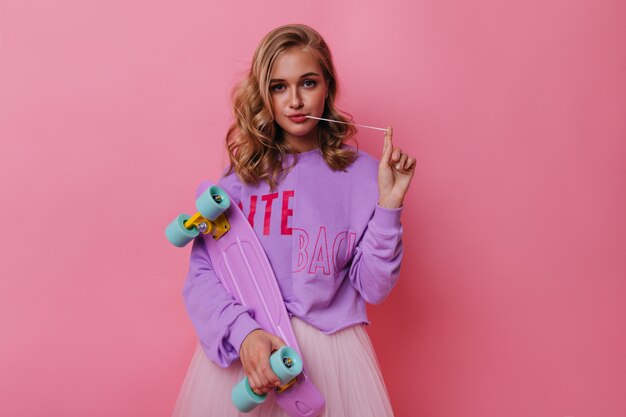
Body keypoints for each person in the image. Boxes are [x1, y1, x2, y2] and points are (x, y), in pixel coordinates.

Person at [172, 23, 416, 417]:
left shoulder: (366, 176)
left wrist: (389, 204)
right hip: (252, 351)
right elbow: (203, 274)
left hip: (333, 358)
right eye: (279, 87)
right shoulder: (240, 181)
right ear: (263, 95)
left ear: (328, 87)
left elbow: (373, 287)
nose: (296, 101)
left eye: (308, 83)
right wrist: (244, 334)